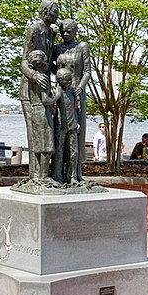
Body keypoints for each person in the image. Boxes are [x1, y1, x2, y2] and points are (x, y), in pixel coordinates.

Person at [19, 0, 59, 178]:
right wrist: (34, 76)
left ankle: (43, 175)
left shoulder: (51, 33)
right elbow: (23, 62)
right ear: (45, 11)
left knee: (46, 133)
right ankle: (35, 177)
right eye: (54, 11)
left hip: (46, 86)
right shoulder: (34, 29)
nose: (56, 14)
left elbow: (50, 63)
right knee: (34, 133)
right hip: (30, 89)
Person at [54, 19, 91, 180]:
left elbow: (88, 71)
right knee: (60, 134)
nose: (66, 34)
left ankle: (75, 174)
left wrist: (80, 87)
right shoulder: (57, 49)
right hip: (61, 94)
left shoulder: (82, 47)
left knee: (77, 134)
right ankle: (58, 174)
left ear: (75, 31)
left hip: (77, 94)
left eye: (69, 31)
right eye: (63, 31)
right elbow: (48, 67)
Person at [26, 50, 61, 179]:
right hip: (42, 111)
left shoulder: (31, 79)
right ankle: (43, 175)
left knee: (38, 144)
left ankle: (38, 175)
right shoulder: (42, 77)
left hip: (35, 110)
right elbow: (46, 100)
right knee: (47, 146)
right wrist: (57, 95)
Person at [52, 68, 79, 184]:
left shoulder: (72, 92)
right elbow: (52, 110)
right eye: (66, 80)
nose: (69, 82)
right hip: (60, 126)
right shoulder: (55, 92)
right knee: (59, 153)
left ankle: (72, 177)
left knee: (74, 153)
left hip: (72, 126)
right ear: (59, 80)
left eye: (70, 80)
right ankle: (57, 176)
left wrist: (77, 123)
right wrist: (56, 97)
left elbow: (75, 109)